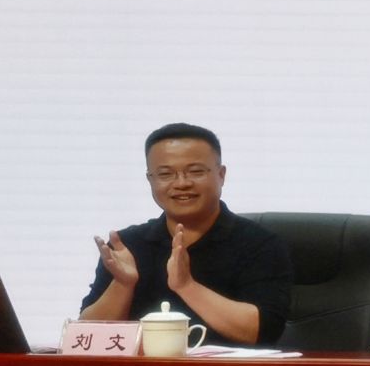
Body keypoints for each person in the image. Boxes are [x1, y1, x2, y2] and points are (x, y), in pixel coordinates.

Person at [81, 123, 292, 346]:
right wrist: (122, 285)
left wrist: (187, 286)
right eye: (165, 174)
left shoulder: (260, 244)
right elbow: (87, 338)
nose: (181, 183)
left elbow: (263, 331)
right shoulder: (127, 245)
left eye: (196, 171)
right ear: (150, 180)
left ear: (221, 175)